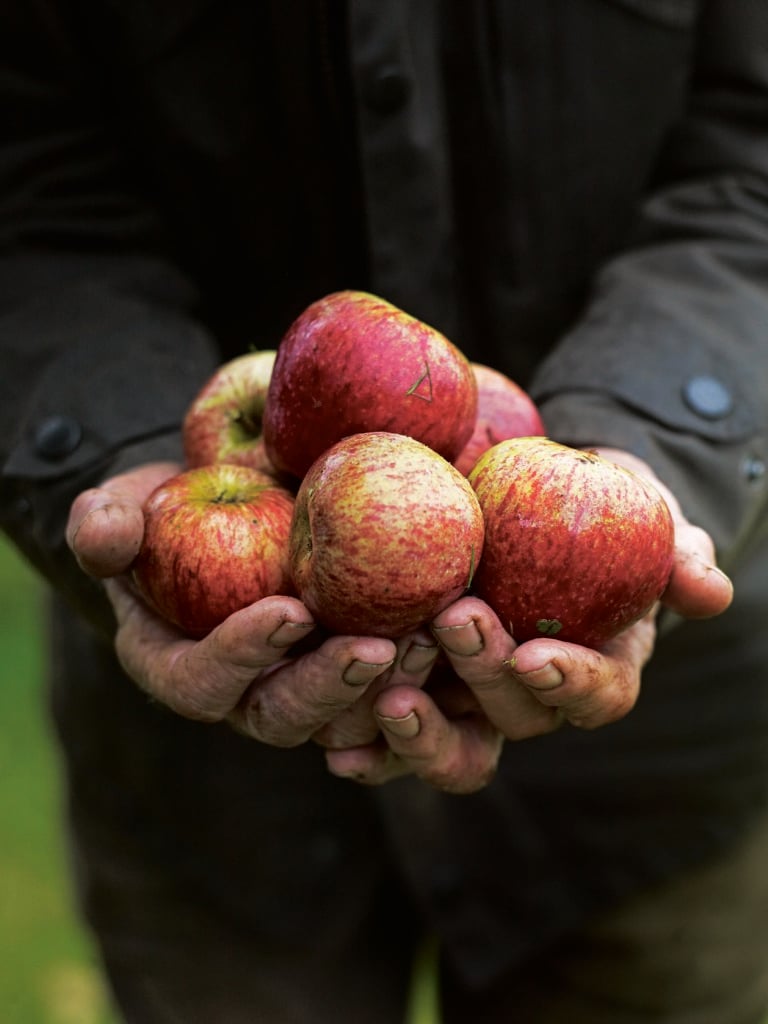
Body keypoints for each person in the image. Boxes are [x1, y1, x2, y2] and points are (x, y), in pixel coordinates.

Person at [1, 1, 767, 1021]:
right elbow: (27, 180)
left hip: (654, 787)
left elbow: (749, 149)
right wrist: (111, 444)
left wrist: (654, 434)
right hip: (211, 792)